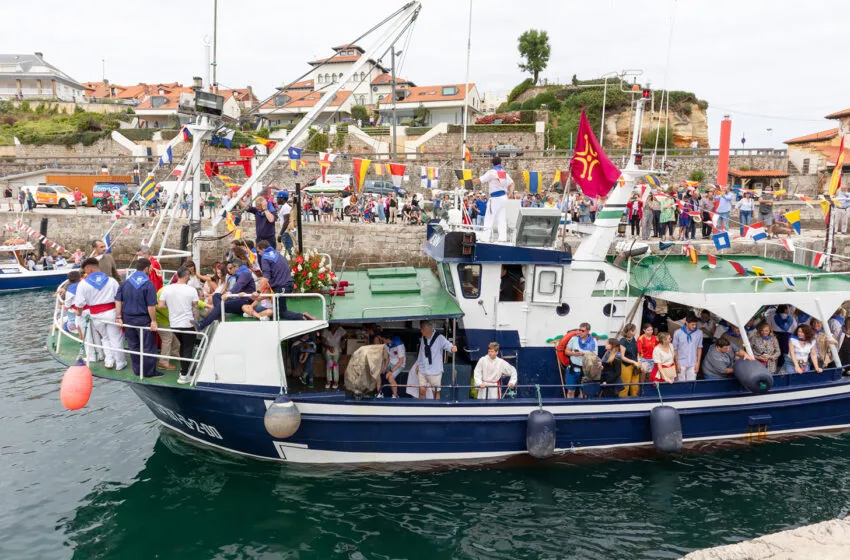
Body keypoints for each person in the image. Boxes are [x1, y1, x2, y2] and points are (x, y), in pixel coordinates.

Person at [74, 258, 127, 370]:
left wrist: (78, 313)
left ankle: (109, 361)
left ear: (89, 268)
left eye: (85, 270)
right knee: (116, 338)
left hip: (96, 315)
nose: (86, 273)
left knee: (105, 337)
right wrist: (119, 315)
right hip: (111, 312)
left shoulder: (83, 284)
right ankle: (120, 362)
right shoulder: (111, 281)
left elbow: (79, 303)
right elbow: (119, 298)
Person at [115, 258, 160, 378]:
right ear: (146, 268)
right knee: (148, 346)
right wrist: (154, 321)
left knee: (133, 345)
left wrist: (118, 317)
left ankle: (137, 370)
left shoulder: (125, 283)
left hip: (128, 319)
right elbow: (151, 305)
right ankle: (149, 372)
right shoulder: (148, 284)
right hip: (143, 320)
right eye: (150, 268)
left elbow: (118, 300)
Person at [158, 267, 200, 384]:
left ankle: (184, 370)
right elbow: (195, 307)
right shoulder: (191, 290)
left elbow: (161, 305)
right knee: (188, 348)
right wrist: (196, 323)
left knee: (183, 346)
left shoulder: (167, 289)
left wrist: (172, 307)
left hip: (174, 324)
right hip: (188, 323)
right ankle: (184, 375)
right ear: (186, 276)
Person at [256, 240, 315, 321]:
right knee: (280, 309)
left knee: (281, 312)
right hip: (288, 284)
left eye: (259, 251)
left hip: (281, 286)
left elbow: (266, 277)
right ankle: (303, 316)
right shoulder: (278, 254)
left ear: (263, 249)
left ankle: (303, 317)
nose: (259, 254)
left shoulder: (265, 257)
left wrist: (258, 291)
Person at [410, 321, 457, 400]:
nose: (421, 331)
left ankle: (436, 409)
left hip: (435, 370)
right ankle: (421, 407)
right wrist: (418, 364)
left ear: (427, 329)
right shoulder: (423, 339)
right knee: (421, 390)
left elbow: (447, 345)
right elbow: (421, 353)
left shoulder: (439, 338)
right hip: (423, 369)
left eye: (422, 329)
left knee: (435, 392)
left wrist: (452, 348)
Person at [472, 157, 514, 242]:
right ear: (500, 163)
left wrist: (468, 181)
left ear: (492, 163)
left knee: (489, 217)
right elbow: (512, 183)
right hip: (504, 198)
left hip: (495, 198)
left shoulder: (491, 172)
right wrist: (510, 193)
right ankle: (502, 238)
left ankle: (485, 238)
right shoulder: (504, 173)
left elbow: (479, 180)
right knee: (501, 218)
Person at [565, 323, 597, 398]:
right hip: (572, 369)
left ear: (588, 331)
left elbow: (594, 355)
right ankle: (570, 407)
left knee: (583, 392)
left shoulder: (594, 341)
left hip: (585, 370)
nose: (580, 332)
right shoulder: (574, 339)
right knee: (570, 391)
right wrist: (574, 353)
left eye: (582, 331)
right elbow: (566, 351)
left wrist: (583, 354)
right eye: (579, 330)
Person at [672, 313, 703, 382]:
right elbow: (675, 349)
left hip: (693, 363)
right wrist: (676, 364)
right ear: (686, 323)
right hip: (681, 362)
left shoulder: (699, 333)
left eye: (695, 324)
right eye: (692, 324)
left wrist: (698, 363)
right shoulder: (677, 333)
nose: (694, 326)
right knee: (680, 384)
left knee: (691, 383)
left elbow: (699, 348)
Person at [618, 324, 641, 397]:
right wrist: (634, 362)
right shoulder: (623, 341)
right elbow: (622, 357)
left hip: (635, 365)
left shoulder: (634, 338)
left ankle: (634, 398)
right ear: (631, 331)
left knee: (635, 385)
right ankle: (622, 399)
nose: (636, 331)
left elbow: (636, 351)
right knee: (625, 385)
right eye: (635, 330)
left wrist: (638, 360)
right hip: (626, 366)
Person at [321, 324, 346, 390]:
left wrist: (343, 341)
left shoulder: (340, 330)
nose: (335, 326)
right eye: (334, 325)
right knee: (329, 364)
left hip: (337, 351)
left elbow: (347, 336)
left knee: (335, 365)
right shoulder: (325, 331)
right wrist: (328, 347)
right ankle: (328, 382)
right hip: (327, 350)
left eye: (337, 325)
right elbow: (323, 342)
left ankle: (335, 382)